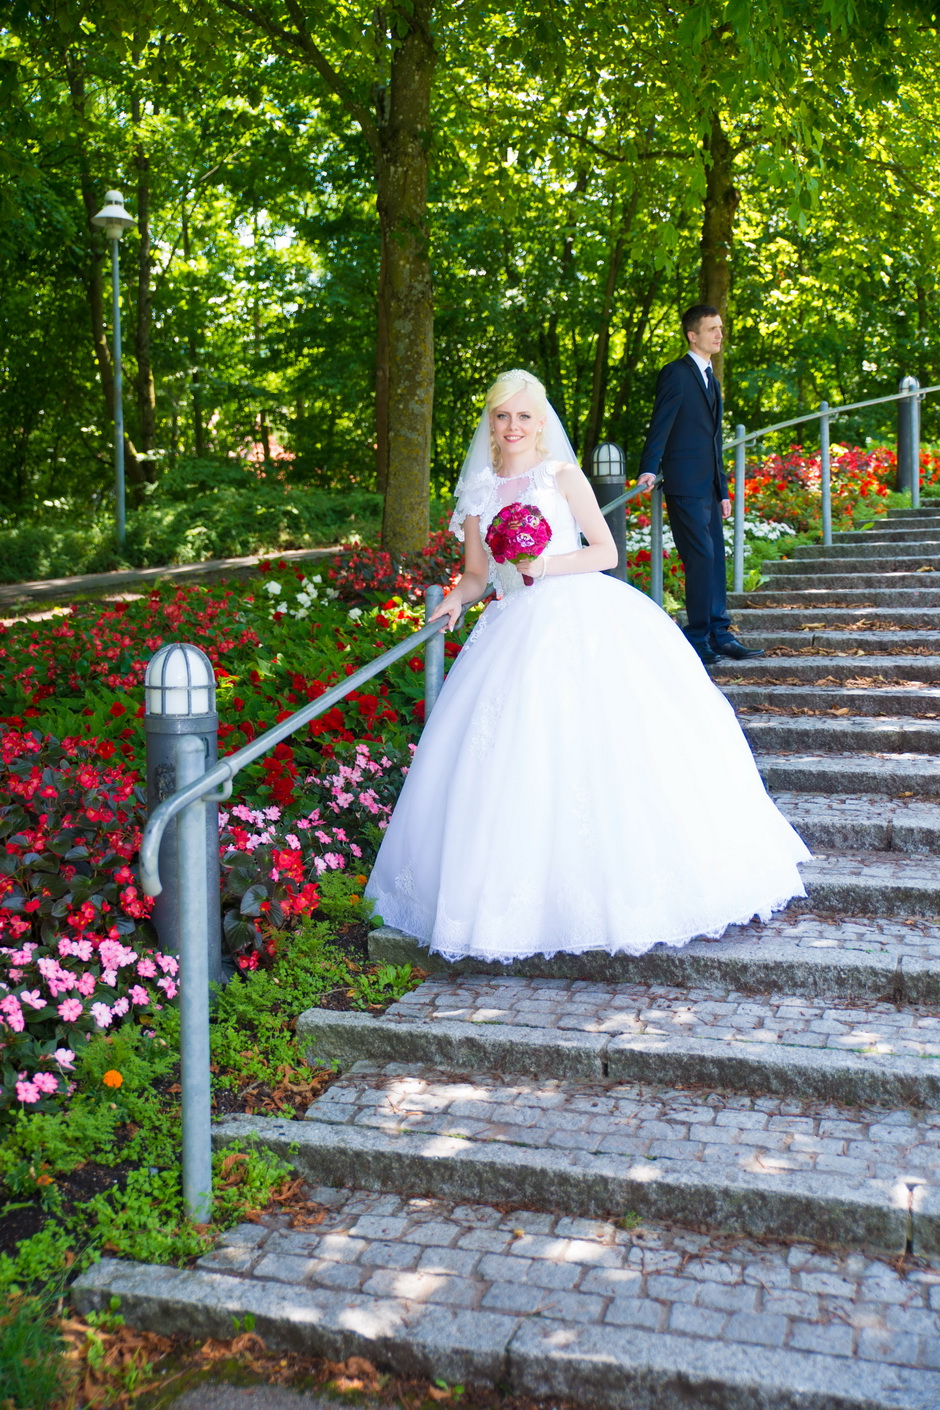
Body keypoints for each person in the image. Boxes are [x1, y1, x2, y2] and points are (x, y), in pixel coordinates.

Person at [364, 369, 809, 965]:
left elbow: (607, 551)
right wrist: (454, 597)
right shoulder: (478, 492)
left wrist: (543, 566)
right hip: (511, 627)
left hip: (579, 613)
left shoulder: (561, 475)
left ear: (541, 421)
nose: (513, 426)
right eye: (502, 416)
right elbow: (476, 575)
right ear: (489, 423)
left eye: (524, 416)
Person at [637, 304, 762, 666]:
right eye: (712, 329)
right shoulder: (675, 374)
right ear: (693, 336)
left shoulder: (712, 378)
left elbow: (714, 441)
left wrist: (722, 490)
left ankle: (720, 634)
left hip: (707, 486)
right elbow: (661, 423)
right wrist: (649, 468)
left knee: (715, 559)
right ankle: (697, 636)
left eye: (720, 328)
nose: (719, 334)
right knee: (701, 557)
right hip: (683, 483)